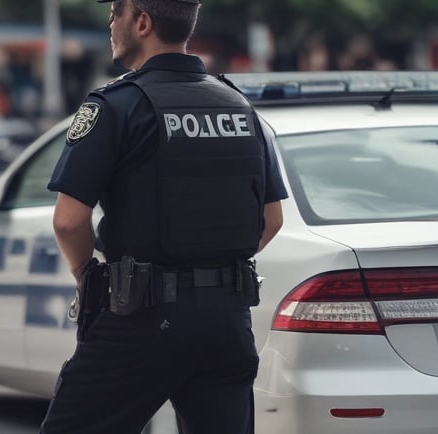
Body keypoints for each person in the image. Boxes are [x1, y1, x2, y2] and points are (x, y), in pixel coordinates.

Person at [39, 1, 288, 433]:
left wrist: (88, 275)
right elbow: (271, 220)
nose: (110, 21)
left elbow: (67, 220)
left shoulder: (115, 105)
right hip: (226, 323)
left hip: (141, 319)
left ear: (142, 22)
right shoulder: (239, 106)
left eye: (117, 11)